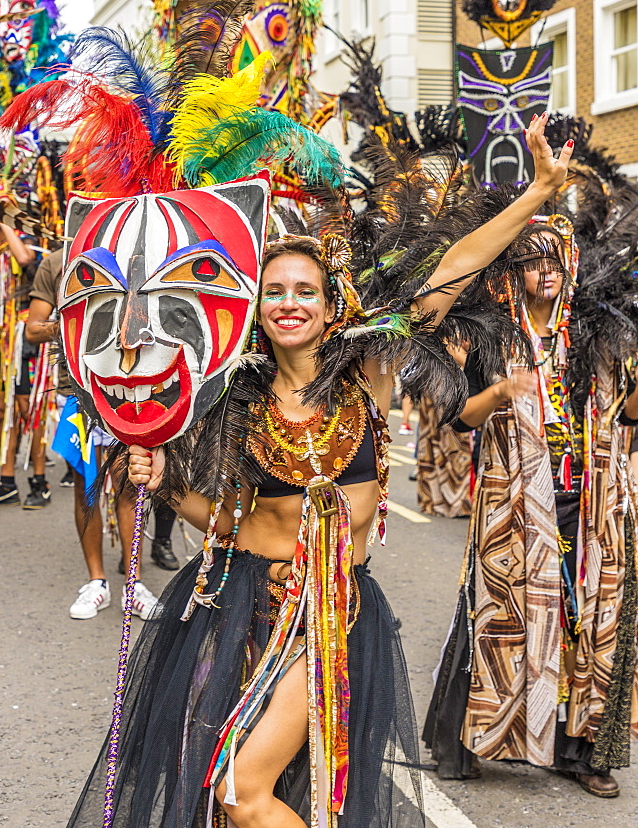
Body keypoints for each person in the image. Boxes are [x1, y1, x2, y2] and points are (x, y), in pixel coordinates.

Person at [65, 116, 572, 827]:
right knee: (225, 803)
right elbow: (224, 521)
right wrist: (159, 481)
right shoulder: (231, 399)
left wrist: (537, 189)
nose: (290, 304)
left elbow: (452, 270)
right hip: (235, 611)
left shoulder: (368, 374)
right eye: (274, 291)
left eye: (306, 291)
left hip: (331, 621)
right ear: (254, 307)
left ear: (333, 308)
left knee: (242, 793)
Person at [424, 214, 638, 798]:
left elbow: (628, 414)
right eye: (534, 259)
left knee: (587, 625)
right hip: (515, 501)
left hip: (589, 503)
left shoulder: (598, 332)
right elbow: (460, 416)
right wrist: (497, 391)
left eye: (555, 258)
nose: (547, 270)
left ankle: (582, 754)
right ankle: (469, 741)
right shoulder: (493, 335)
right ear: (515, 270)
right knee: (501, 614)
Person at [26, 247, 160, 619]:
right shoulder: (56, 262)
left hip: (132, 392)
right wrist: (75, 322)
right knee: (86, 488)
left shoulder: (141, 250)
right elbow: (33, 329)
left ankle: (133, 585)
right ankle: (96, 582)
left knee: (131, 484)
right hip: (81, 394)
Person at [0, 220, 48, 508]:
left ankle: (40, 482)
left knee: (30, 409)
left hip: (25, 340)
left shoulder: (27, 236)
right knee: (3, 410)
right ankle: (7, 483)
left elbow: (25, 258)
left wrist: (4, 222)